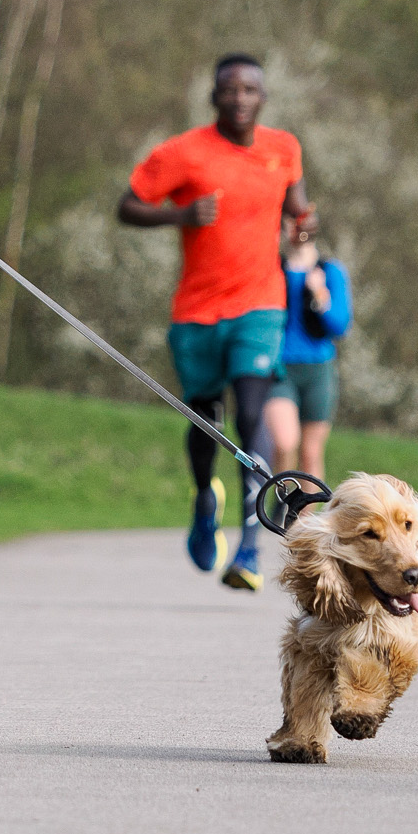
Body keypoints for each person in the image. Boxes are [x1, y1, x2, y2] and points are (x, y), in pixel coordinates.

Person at [116, 55, 313, 593]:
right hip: (197, 313)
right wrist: (178, 216)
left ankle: (250, 547)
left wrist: (303, 221)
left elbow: (294, 202)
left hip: (260, 305)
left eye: (250, 89)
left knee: (253, 415)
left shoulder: (284, 148)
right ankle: (206, 497)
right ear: (214, 97)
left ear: (263, 98)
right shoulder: (183, 153)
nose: (240, 98)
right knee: (206, 418)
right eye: (229, 89)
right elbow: (128, 206)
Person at [263, 216, 352, 486]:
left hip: (318, 370)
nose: (295, 229)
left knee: (311, 453)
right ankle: (283, 497)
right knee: (284, 441)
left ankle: (304, 524)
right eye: (289, 223)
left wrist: (320, 293)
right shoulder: (273, 270)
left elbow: (340, 325)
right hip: (279, 369)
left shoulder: (330, 271)